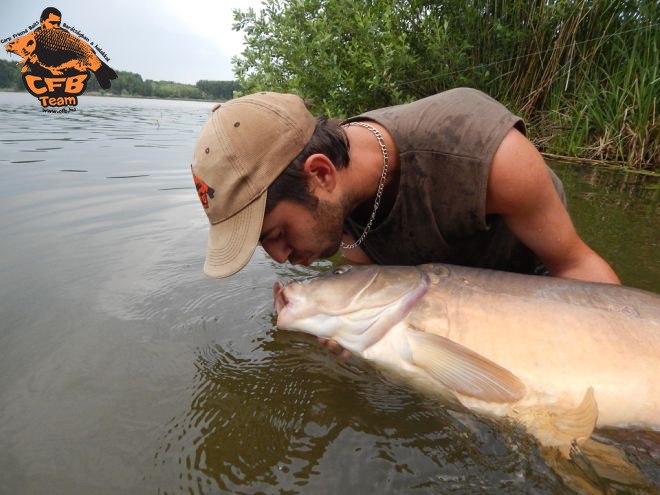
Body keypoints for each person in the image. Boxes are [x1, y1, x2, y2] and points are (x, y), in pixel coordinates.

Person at [191, 89, 619, 287]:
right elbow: (373, 280)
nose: (281, 258)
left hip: (534, 277)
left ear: (320, 174)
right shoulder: (331, 205)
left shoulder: (485, 154)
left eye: (276, 235)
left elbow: (577, 268)